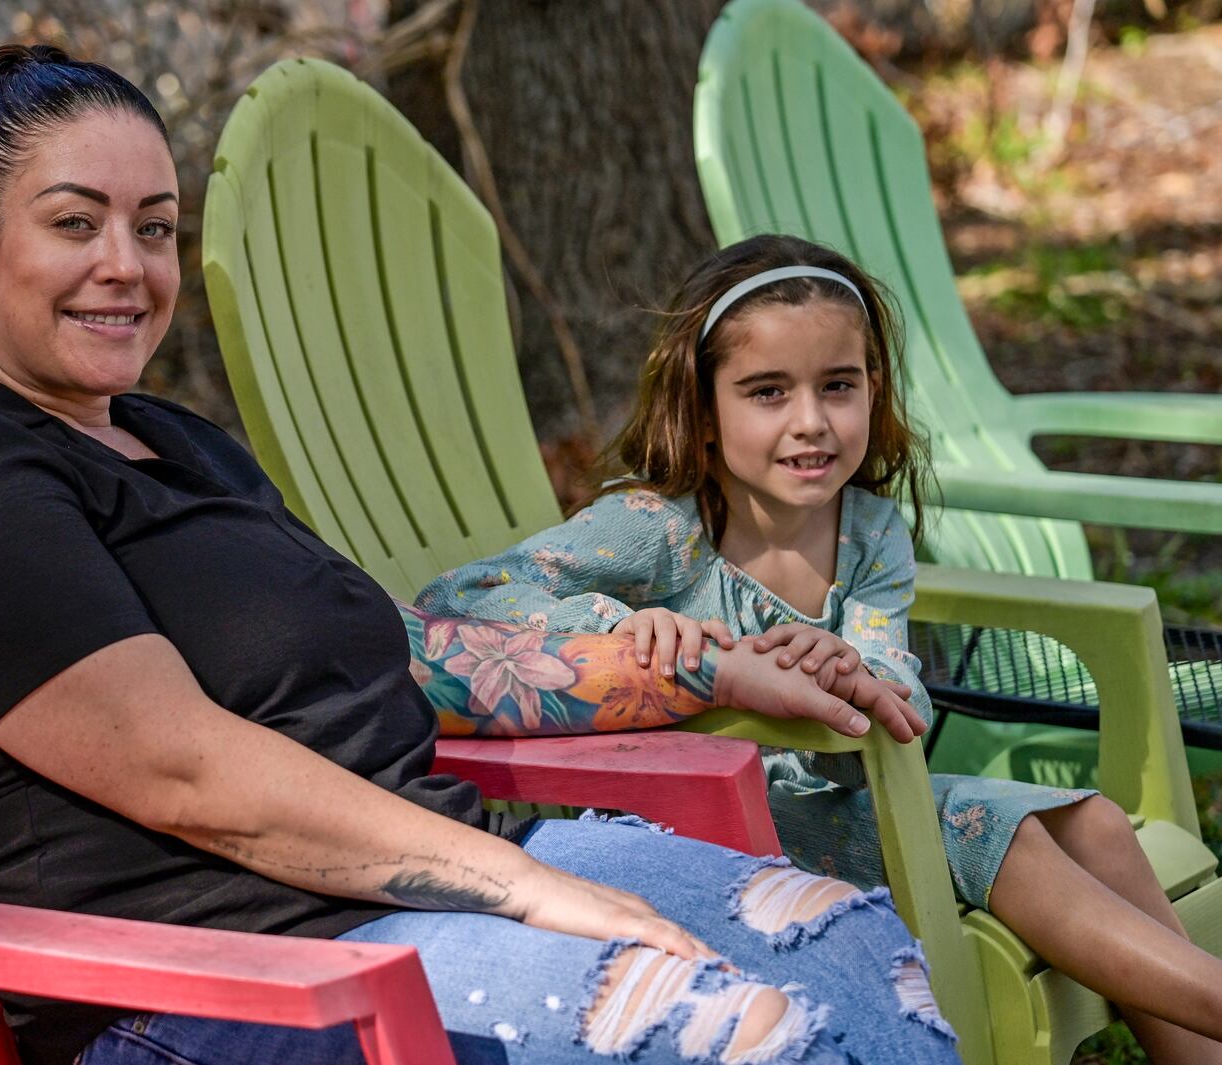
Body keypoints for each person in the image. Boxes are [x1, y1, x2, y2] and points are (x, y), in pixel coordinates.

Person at [0, 46, 965, 1065]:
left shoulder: (167, 440)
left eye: (152, 225)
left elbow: (404, 653)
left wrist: (699, 669)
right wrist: (526, 887)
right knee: (747, 1038)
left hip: (424, 889)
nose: (127, 266)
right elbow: (185, 773)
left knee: (854, 950)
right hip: (220, 980)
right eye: (75, 224)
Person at [416, 234, 1222, 1063]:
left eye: (838, 385)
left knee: (1095, 824)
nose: (811, 422)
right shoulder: (660, 528)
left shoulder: (870, 534)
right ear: (704, 408)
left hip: (851, 798)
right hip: (711, 828)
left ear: (873, 390)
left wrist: (857, 674)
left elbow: (892, 697)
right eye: (767, 392)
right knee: (997, 833)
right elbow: (462, 598)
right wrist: (613, 628)